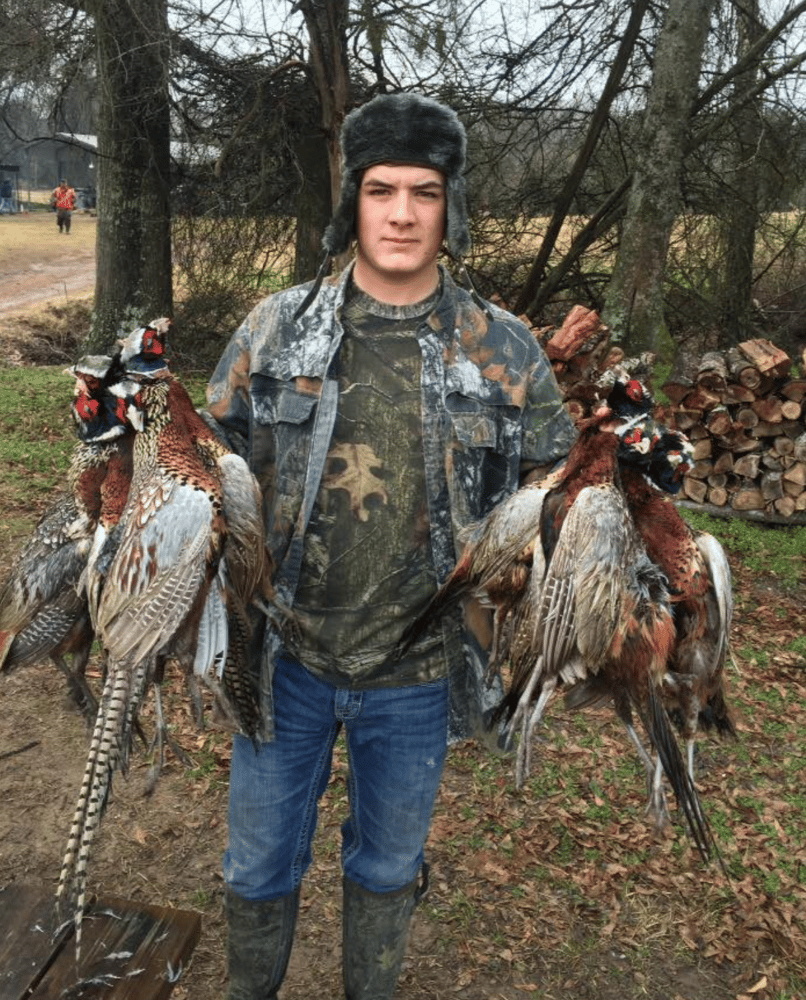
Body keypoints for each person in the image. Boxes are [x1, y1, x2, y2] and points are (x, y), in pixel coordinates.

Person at [203, 92, 577, 1000]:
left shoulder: (506, 350)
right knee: (255, 870)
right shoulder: (275, 329)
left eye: (424, 190)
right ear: (353, 202)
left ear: (452, 204)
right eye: (381, 190)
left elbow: (563, 495)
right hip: (286, 655)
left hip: (420, 670)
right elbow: (207, 473)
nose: (403, 213)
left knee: (384, 870)